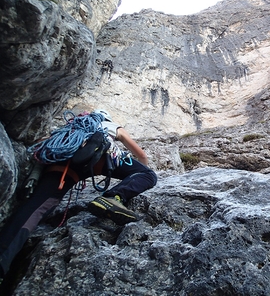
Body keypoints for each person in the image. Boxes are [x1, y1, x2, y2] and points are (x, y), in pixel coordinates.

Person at [0, 109, 157, 281]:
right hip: (98, 157)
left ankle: (3, 260)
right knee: (148, 175)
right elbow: (141, 154)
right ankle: (113, 197)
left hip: (62, 163)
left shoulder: (70, 127)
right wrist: (141, 169)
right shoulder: (111, 126)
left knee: (35, 209)